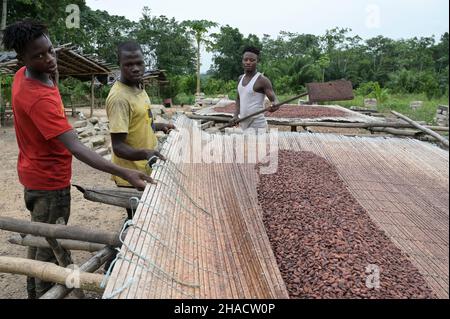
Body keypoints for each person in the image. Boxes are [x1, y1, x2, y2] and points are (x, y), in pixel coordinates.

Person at [2, 20, 154, 299]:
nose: (49, 59)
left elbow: (50, 88)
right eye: (39, 56)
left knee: (41, 236)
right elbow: (78, 148)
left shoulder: (24, 74)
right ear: (21, 58)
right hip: (50, 181)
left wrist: (53, 73)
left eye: (50, 51)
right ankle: (43, 292)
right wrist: (126, 172)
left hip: (33, 172)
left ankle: (38, 289)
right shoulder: (37, 99)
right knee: (51, 245)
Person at [106, 41, 174, 220]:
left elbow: (142, 121)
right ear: (119, 65)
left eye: (139, 63)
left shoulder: (138, 86)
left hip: (146, 167)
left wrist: (160, 126)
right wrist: (146, 153)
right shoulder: (119, 98)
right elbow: (118, 146)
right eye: (128, 64)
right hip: (131, 175)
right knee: (138, 223)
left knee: (150, 218)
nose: (135, 68)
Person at [230, 46, 279, 131]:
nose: (248, 62)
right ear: (242, 61)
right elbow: (238, 99)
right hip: (243, 123)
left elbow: (275, 100)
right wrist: (235, 115)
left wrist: (274, 105)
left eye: (252, 60)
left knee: (256, 144)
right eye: (245, 60)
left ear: (258, 61)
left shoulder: (262, 80)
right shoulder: (240, 78)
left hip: (257, 125)